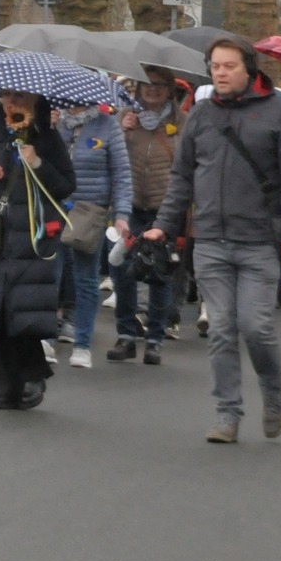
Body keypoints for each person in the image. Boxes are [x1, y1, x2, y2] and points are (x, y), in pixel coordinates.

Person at [148, 38, 281, 443]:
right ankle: (227, 414)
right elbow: (182, 178)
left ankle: (274, 394)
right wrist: (163, 226)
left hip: (258, 240)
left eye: (228, 66)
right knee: (221, 328)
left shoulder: (279, 113)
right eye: (215, 66)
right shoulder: (201, 115)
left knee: (255, 326)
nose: (219, 73)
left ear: (249, 69)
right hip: (210, 241)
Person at [0, 89, 77, 410]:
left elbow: (65, 186)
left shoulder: (48, 138)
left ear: (34, 102)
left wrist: (38, 163)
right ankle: (8, 383)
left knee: (23, 308)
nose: (11, 102)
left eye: (19, 97)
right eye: (5, 96)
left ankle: (29, 376)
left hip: (34, 234)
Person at [56, 95, 133, 368]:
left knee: (85, 278)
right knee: (49, 275)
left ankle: (82, 344)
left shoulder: (107, 125)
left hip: (90, 211)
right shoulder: (54, 121)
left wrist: (121, 214)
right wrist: (49, 132)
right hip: (54, 206)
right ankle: (43, 339)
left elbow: (121, 173)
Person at [114, 76, 184, 363]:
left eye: (159, 84)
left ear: (170, 90)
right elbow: (110, 156)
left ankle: (155, 338)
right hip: (128, 206)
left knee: (159, 274)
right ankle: (126, 336)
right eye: (146, 84)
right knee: (122, 271)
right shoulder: (124, 117)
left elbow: (189, 163)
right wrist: (121, 131)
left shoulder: (184, 122)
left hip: (163, 210)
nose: (152, 89)